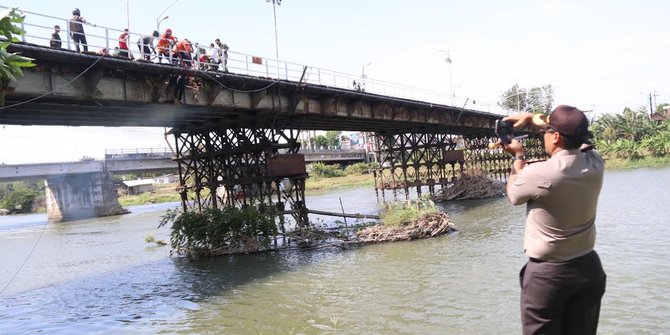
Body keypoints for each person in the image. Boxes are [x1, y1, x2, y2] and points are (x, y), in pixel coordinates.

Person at [501, 105, 606, 335]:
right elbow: (581, 143)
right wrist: (533, 119)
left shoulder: (540, 173)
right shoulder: (595, 163)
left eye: (545, 132)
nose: (543, 136)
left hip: (548, 277)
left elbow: (513, 195)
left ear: (556, 137)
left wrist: (518, 157)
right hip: (589, 269)